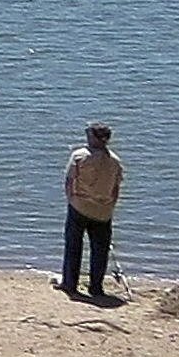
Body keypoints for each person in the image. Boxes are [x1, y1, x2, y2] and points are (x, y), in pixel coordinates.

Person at [61, 121, 124, 298]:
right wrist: (111, 206)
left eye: (89, 134)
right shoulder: (115, 161)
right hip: (103, 210)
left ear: (95, 138)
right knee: (100, 250)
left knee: (73, 246)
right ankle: (96, 287)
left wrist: (71, 199)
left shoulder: (79, 156)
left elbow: (69, 181)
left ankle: (70, 284)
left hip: (79, 206)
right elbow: (116, 188)